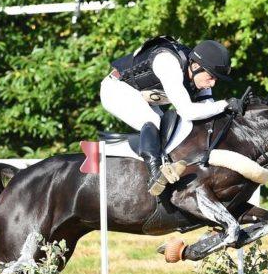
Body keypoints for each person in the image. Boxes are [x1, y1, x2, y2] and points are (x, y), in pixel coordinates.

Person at [101, 36, 235, 195]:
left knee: (174, 128)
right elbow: (188, 111)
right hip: (115, 90)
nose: (212, 84)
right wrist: (225, 104)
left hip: (143, 97)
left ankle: (168, 165)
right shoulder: (168, 63)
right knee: (152, 121)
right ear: (196, 66)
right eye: (211, 77)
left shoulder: (198, 73)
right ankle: (155, 175)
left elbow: (208, 109)